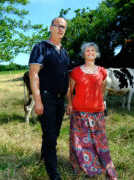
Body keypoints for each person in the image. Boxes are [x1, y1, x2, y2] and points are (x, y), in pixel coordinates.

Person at [66, 42, 118, 179]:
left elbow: (102, 89)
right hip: (79, 111)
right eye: (87, 50)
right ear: (83, 54)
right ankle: (82, 165)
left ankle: (102, 165)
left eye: (93, 50)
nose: (90, 52)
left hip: (97, 111)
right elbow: (69, 90)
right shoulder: (75, 72)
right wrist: (69, 104)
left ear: (96, 54)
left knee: (99, 141)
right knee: (80, 141)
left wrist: (99, 101)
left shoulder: (102, 71)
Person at [29, 17, 70, 180]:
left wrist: (69, 101)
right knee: (51, 136)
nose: (61, 29)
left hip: (60, 100)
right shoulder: (41, 47)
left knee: (53, 133)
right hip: (47, 97)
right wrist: (38, 101)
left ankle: (44, 155)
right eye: (58, 26)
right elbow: (33, 74)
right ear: (50, 28)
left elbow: (67, 78)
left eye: (64, 27)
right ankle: (53, 174)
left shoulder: (64, 52)